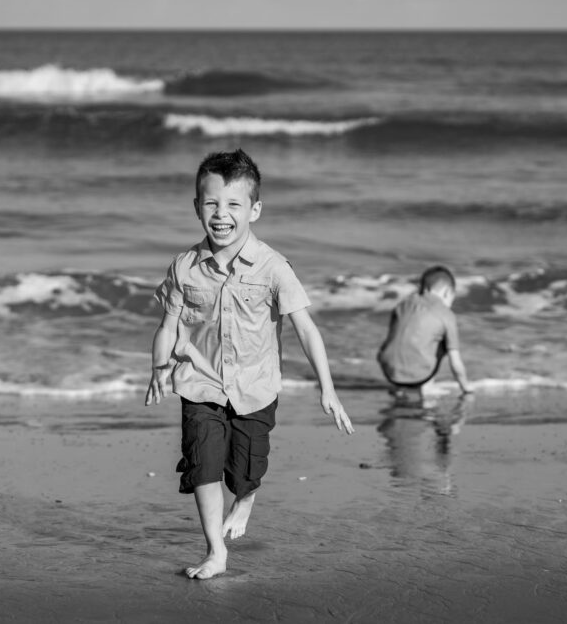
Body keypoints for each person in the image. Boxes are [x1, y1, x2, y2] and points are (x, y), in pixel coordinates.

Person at [146, 148, 354, 580]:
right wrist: (159, 368)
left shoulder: (273, 268)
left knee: (244, 473)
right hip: (199, 383)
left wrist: (327, 387)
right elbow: (167, 326)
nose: (221, 214)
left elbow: (307, 329)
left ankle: (245, 498)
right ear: (197, 207)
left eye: (233, 204)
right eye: (211, 203)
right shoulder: (184, 267)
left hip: (255, 388)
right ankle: (215, 551)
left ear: (254, 210)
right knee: (203, 463)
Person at [377, 265, 473, 398]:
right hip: (419, 377)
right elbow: (455, 361)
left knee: (409, 335)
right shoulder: (446, 313)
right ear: (447, 292)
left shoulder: (403, 304)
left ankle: (399, 389)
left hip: (388, 372)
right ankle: (427, 387)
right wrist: (466, 388)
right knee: (443, 342)